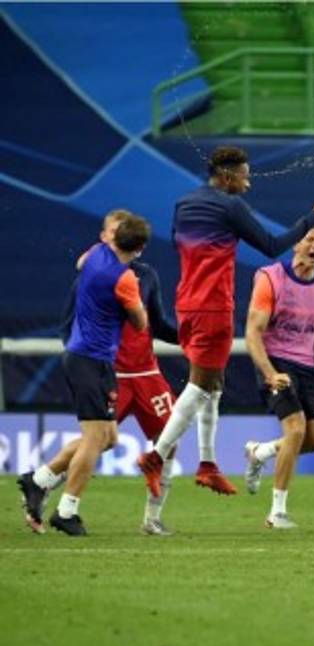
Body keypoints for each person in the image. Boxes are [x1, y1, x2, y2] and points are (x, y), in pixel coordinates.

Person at [136, 146, 314, 498]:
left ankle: (207, 463)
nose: (247, 185)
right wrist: (313, 218)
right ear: (229, 176)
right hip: (214, 306)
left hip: (186, 300)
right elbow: (272, 245)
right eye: (245, 177)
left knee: (214, 385)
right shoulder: (230, 205)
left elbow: (178, 243)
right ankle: (155, 456)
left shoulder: (184, 203)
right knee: (201, 386)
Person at [18, 211, 182, 536]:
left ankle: (39, 480)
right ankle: (66, 511)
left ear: (112, 238)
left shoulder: (96, 256)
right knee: (95, 438)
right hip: (93, 362)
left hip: (110, 365)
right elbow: (140, 322)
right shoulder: (125, 280)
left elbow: (82, 263)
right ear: (140, 247)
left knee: (108, 438)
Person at [241, 226, 314, 528]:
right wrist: (270, 373)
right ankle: (277, 512)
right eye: (310, 240)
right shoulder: (270, 278)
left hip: (308, 366)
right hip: (275, 361)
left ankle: (260, 452)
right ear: (295, 246)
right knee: (296, 429)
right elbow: (252, 333)